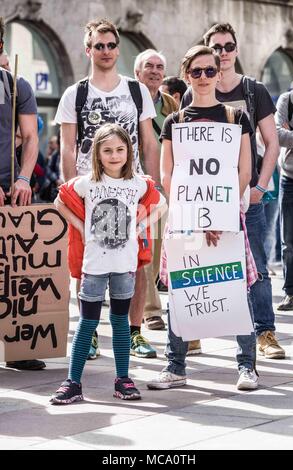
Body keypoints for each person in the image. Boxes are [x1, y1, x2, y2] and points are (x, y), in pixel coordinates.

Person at [147, 45, 259, 391]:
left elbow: (244, 169)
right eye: (197, 71)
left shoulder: (235, 118)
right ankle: (175, 365)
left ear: (219, 72)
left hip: (226, 217)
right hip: (185, 218)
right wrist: (196, 215)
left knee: (235, 289)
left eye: (210, 70)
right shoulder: (174, 121)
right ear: (186, 75)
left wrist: (218, 213)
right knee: (183, 291)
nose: (205, 77)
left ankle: (247, 367)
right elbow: (168, 173)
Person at [55, 18, 160, 361]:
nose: (105, 51)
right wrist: (74, 194)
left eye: (110, 45)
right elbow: (68, 148)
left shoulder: (135, 90)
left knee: (137, 262)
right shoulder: (76, 93)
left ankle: (134, 333)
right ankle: (91, 334)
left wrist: (153, 187)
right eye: (98, 45)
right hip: (91, 191)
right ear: (88, 50)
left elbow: (149, 141)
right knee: (84, 262)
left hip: (132, 189)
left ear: (118, 48)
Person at [181, 23, 284, 360]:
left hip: (243, 196)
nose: (222, 54)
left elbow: (271, 143)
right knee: (199, 263)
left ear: (235, 50)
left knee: (256, 265)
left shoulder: (254, 91)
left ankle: (265, 332)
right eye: (216, 48)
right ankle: (194, 333)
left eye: (227, 47)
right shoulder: (192, 92)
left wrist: (259, 186)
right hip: (203, 198)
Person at [50, 123, 165, 404]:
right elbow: (59, 201)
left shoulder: (137, 183)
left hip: (124, 266)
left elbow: (161, 204)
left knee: (120, 323)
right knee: (87, 324)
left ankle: (123, 378)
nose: (114, 155)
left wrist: (141, 224)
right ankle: (73, 382)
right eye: (108, 150)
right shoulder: (87, 182)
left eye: (120, 149)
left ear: (129, 152)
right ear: (98, 154)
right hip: (93, 267)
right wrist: (79, 225)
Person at [0, 18, 45, 370]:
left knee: (15, 274)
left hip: (10, 191)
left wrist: (24, 179)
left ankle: (17, 343)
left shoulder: (17, 85)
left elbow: (30, 137)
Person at [134, 49, 177, 333]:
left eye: (159, 66)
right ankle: (151, 311)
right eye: (148, 66)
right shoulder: (129, 97)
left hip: (163, 184)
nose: (154, 71)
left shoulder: (172, 103)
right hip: (135, 184)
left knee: (160, 244)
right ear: (137, 72)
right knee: (145, 246)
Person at [275, 87, 293, 311]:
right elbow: (278, 135)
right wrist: (287, 135)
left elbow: (287, 135)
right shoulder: (288, 99)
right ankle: (292, 292)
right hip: (290, 179)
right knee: (288, 241)